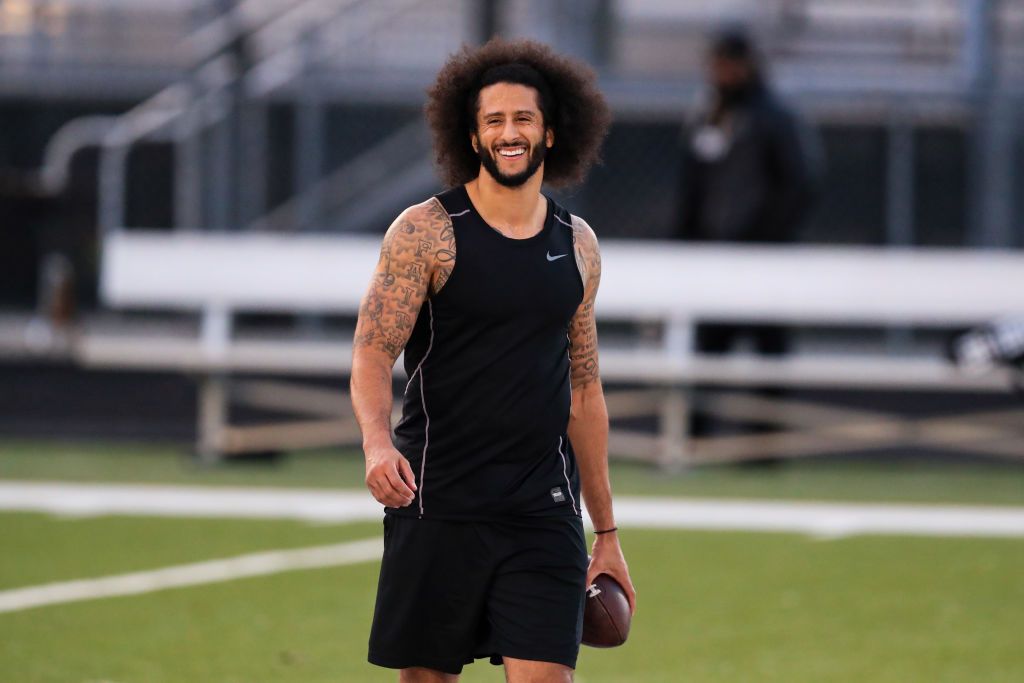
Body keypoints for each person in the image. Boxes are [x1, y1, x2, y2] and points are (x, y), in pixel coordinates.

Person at [350, 38, 636, 683]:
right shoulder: (424, 231)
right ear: (473, 137)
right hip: (436, 502)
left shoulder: (579, 245)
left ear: (552, 133)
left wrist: (608, 533)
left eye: (524, 119)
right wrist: (375, 444)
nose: (510, 133)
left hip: (542, 509)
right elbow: (372, 352)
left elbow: (584, 396)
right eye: (494, 121)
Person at [675, 29, 822, 436]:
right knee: (708, 350)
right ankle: (696, 438)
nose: (719, 73)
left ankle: (763, 447)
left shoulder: (774, 117)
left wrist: (764, 240)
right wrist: (687, 240)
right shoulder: (708, 114)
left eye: (726, 65)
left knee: (768, 352)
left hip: (762, 258)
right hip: (715, 256)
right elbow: (694, 186)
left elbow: (799, 185)